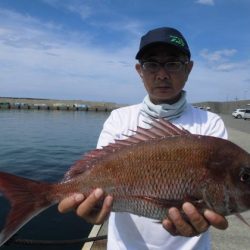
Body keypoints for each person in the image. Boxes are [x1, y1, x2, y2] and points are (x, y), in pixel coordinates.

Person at [58, 27, 229, 249]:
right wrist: (91, 208)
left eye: (173, 63)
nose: (162, 74)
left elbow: (217, 195)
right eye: (151, 64)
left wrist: (205, 218)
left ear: (189, 69)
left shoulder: (210, 123)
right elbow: (97, 172)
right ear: (140, 70)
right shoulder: (119, 119)